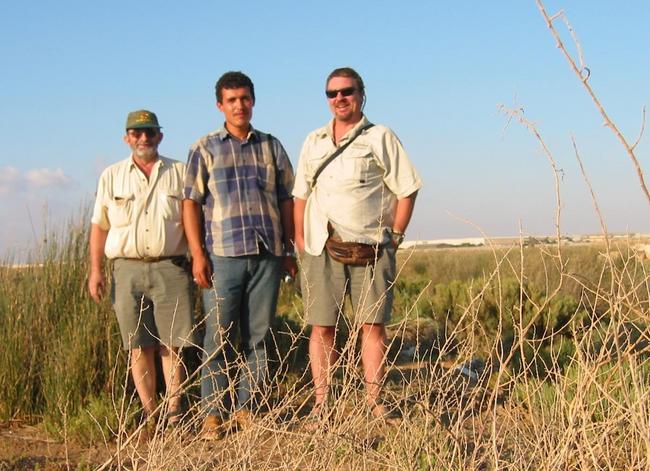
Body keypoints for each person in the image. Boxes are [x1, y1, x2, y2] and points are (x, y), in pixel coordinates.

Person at [293, 67, 422, 424]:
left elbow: (407, 187)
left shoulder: (380, 136)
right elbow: (300, 194)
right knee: (322, 327)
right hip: (322, 246)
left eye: (346, 91)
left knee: (372, 326)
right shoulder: (314, 140)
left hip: (371, 248)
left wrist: (395, 235)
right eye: (332, 93)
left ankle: (374, 401)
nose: (339, 99)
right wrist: (302, 240)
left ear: (362, 94)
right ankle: (323, 403)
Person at [183, 71, 296, 440]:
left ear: (253, 101)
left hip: (267, 253)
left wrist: (289, 248)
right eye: (231, 100)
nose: (239, 105)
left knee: (258, 337)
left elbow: (286, 200)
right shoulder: (205, 148)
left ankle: (249, 410)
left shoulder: (271, 146)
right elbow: (191, 203)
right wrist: (198, 254)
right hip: (223, 256)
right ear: (220, 105)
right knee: (219, 337)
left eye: (245, 98)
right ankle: (213, 414)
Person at [88, 110, 195, 435]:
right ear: (127, 138)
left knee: (172, 345)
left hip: (171, 266)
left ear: (160, 136)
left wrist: (199, 257)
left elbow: (192, 219)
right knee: (138, 345)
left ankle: (175, 414)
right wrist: (96, 270)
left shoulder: (179, 172)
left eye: (149, 132)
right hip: (126, 270)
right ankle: (151, 415)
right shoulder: (111, 176)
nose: (143, 138)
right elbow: (99, 225)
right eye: (137, 133)